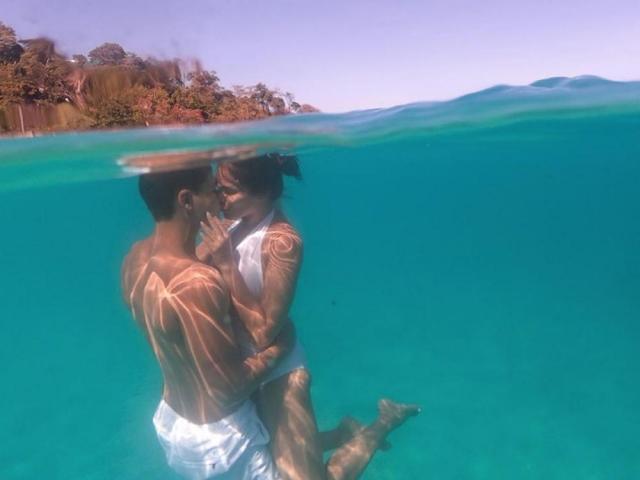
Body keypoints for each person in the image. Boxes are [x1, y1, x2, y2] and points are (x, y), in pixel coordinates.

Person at [199, 154, 421, 480]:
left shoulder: (282, 242)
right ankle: (343, 432)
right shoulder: (230, 226)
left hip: (279, 373)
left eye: (228, 191)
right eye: (218, 189)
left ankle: (385, 420)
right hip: (241, 370)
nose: (220, 198)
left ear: (263, 192)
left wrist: (226, 262)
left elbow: (264, 333)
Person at [121, 165, 293, 479]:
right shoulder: (197, 282)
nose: (220, 199)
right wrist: (280, 347)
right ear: (187, 201)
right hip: (222, 442)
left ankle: (350, 433)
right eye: (213, 190)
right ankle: (375, 430)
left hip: (174, 422)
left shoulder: (134, 259)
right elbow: (228, 389)